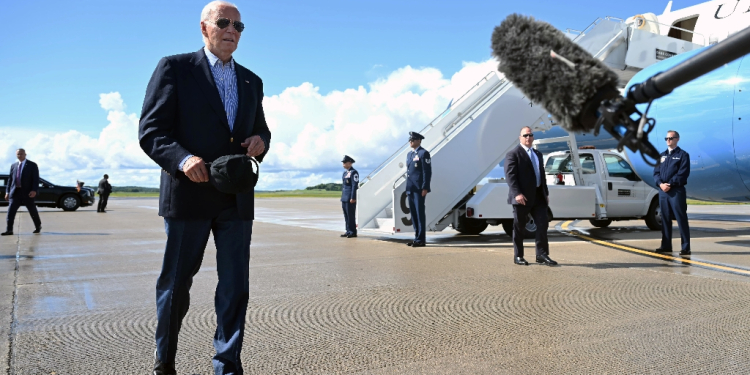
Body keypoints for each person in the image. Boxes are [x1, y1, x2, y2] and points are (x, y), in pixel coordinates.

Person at [138, 1, 272, 374]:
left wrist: (260, 140)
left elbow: (260, 128)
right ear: (204, 28)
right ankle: (164, 362)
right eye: (224, 23)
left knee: (234, 288)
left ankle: (227, 364)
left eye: (239, 27)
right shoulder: (175, 68)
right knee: (176, 285)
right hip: (189, 195)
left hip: (236, 198)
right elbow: (152, 132)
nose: (232, 31)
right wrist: (183, 159)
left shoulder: (251, 80)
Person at [505, 127, 556, 266]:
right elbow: (510, 176)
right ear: (520, 137)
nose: (528, 137)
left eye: (530, 135)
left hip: (539, 196)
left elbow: (542, 176)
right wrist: (517, 194)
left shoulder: (538, 154)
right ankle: (518, 256)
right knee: (519, 227)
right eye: (525, 135)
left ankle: (542, 255)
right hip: (522, 197)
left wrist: (545, 193)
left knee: (542, 225)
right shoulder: (513, 154)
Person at [653, 130, 691, 255]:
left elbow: (683, 173)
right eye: (666, 138)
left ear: (677, 139)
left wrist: (670, 184)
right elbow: (656, 173)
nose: (668, 140)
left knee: (681, 218)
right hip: (663, 191)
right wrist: (660, 184)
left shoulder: (683, 155)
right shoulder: (661, 156)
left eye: (671, 138)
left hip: (676, 191)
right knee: (665, 219)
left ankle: (685, 247)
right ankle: (666, 246)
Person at [2, 149, 42, 236]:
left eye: (21, 154)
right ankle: (9, 230)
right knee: (10, 212)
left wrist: (34, 190)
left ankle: (38, 226)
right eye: (18, 154)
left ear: (25, 154)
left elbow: (36, 179)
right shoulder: (13, 165)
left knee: (32, 211)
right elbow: (10, 180)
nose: (19, 155)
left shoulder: (32, 165)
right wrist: (7, 192)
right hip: (15, 192)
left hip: (28, 193)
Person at [405, 131, 432, 247]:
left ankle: (421, 239)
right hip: (410, 188)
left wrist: (425, 187)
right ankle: (416, 238)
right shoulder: (409, 155)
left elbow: (427, 172)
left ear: (419, 141)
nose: (410, 142)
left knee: (420, 213)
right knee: (414, 214)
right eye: (410, 140)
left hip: (419, 189)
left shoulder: (423, 153)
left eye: (413, 140)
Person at [340, 155, 358, 238]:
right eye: (343, 163)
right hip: (344, 197)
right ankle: (348, 231)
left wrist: (353, 197)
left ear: (350, 163)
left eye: (344, 163)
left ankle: (352, 232)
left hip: (350, 198)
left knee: (351, 215)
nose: (343, 164)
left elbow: (354, 185)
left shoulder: (354, 172)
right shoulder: (345, 173)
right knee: (346, 215)